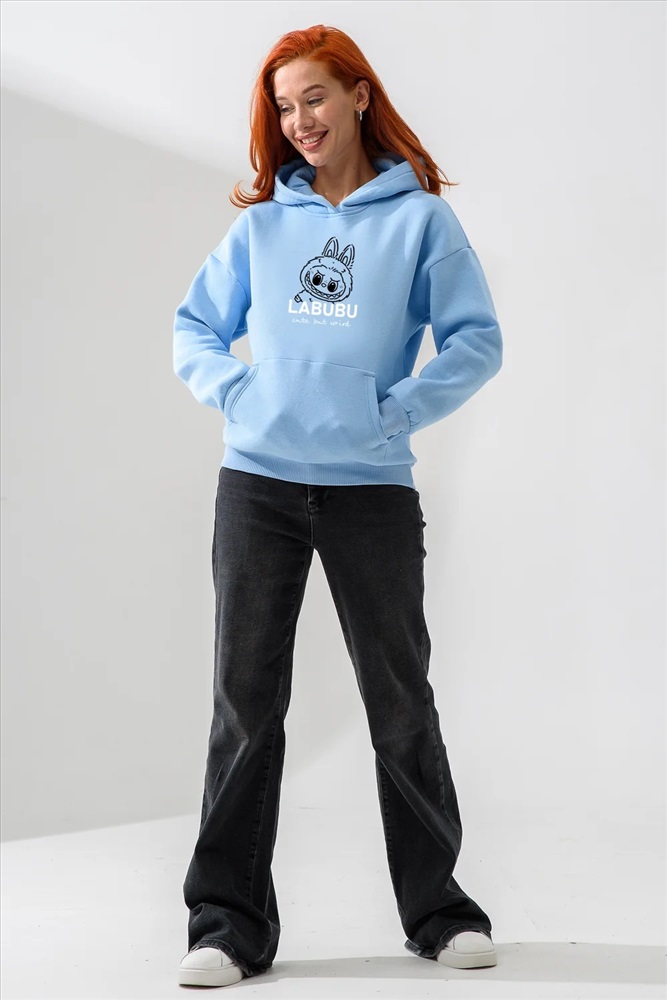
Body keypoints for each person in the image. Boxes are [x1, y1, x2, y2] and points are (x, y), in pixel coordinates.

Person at [173, 23, 503, 989]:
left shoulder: (421, 222)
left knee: (399, 701)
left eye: (313, 97)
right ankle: (227, 926)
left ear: (359, 95)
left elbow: (475, 340)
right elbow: (194, 327)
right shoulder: (260, 227)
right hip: (258, 487)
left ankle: (438, 912)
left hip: (371, 492)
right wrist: (241, 396)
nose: (298, 121)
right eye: (282, 107)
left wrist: (392, 412)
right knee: (245, 705)